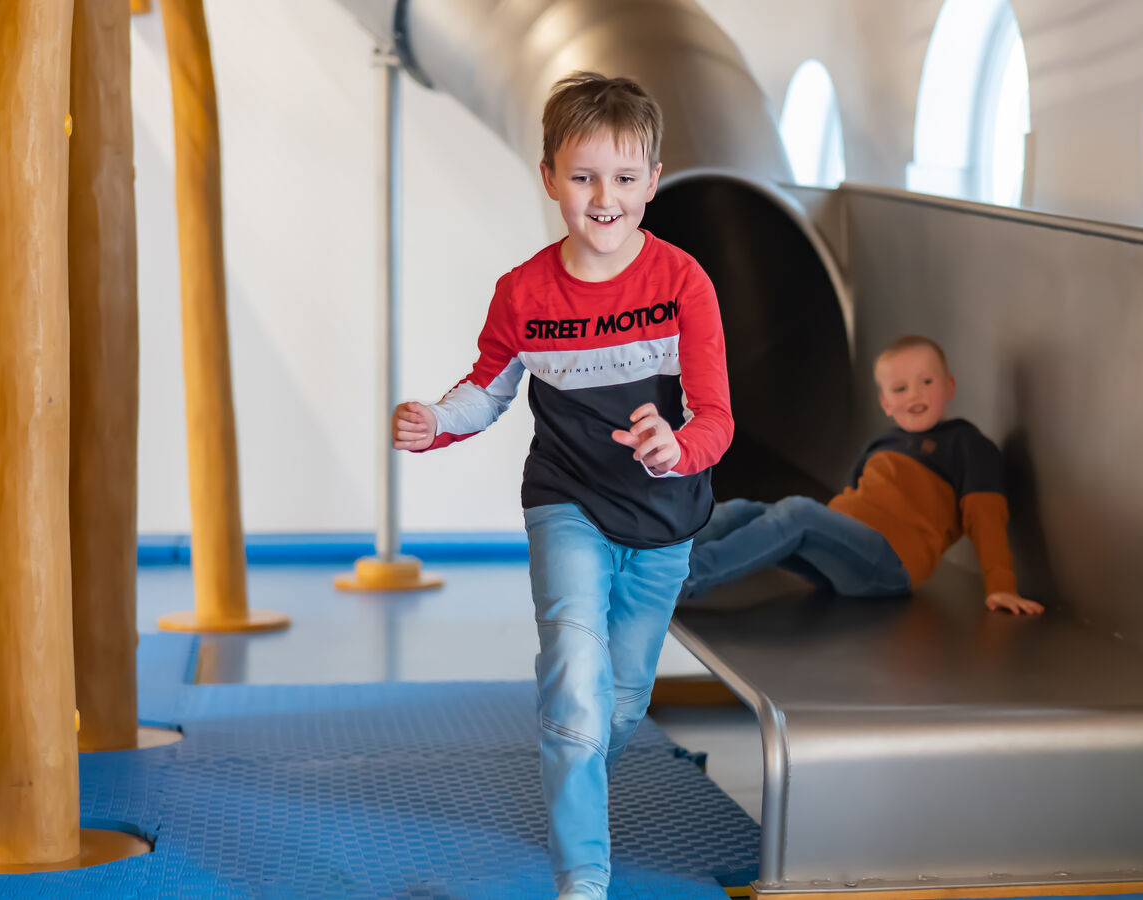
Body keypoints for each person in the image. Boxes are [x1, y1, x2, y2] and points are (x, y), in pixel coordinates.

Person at [391, 72, 732, 900]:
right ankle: (582, 876)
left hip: (664, 518)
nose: (604, 198)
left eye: (623, 178)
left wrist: (673, 446)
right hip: (566, 501)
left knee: (619, 703)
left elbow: (716, 419)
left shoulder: (683, 283)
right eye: (583, 177)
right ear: (550, 178)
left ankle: (576, 779)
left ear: (652, 182)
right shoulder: (524, 293)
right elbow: (487, 390)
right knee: (575, 680)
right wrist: (437, 420)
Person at [684, 335, 1042, 615]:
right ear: (886, 403)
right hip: (845, 557)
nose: (915, 394)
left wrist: (1001, 585)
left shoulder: (967, 443)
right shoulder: (882, 444)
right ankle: (661, 552)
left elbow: (986, 517)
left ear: (949, 386)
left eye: (927, 381)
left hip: (890, 565)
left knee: (797, 512)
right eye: (900, 388)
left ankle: (683, 581)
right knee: (745, 511)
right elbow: (853, 500)